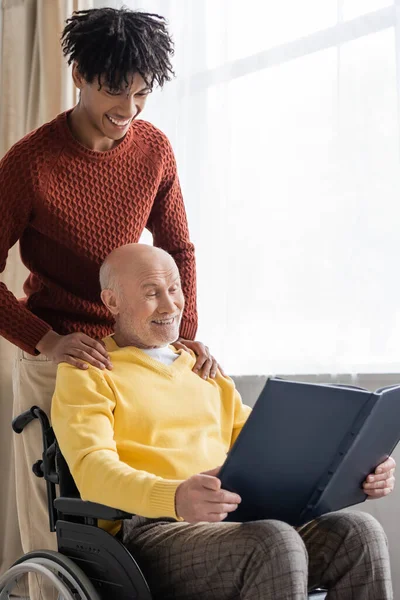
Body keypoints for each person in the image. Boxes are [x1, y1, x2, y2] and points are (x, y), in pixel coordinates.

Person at [0, 6, 218, 576]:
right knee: (63, 522)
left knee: (146, 505)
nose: (128, 109)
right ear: (78, 74)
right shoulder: (29, 164)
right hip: (58, 354)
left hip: (134, 352)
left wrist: (183, 336)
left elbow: (180, 249)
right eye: (114, 91)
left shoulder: (154, 149)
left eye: (143, 93)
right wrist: (46, 341)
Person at [52, 243, 396, 600]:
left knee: (358, 533)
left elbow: (267, 446)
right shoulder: (88, 373)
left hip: (236, 520)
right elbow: (93, 470)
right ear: (112, 302)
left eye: (173, 289)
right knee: (273, 541)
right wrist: (175, 497)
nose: (170, 306)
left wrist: (359, 465)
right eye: (151, 293)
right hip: (151, 533)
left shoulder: (205, 370)